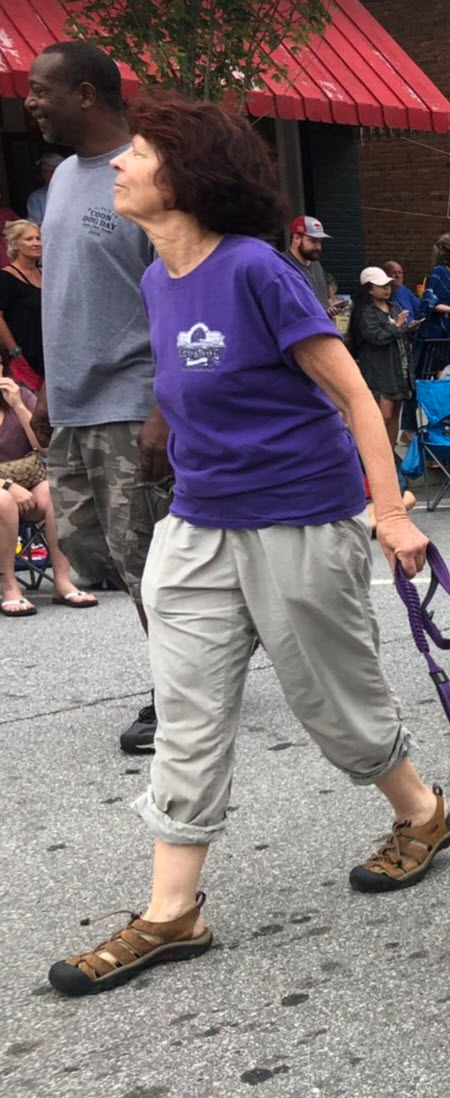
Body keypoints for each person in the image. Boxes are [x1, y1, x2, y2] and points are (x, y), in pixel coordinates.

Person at [46, 93, 450, 998]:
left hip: (301, 518)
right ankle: (173, 911)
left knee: (334, 703)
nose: (118, 163)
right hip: (197, 526)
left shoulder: (259, 271)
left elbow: (356, 398)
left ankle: (422, 814)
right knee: (185, 713)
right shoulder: (156, 277)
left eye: (140, 151)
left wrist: (389, 516)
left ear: (189, 174)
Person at [27, 41, 164, 752]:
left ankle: (178, 693)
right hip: (72, 404)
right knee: (90, 552)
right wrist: (50, 383)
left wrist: (165, 405)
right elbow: (69, 291)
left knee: (146, 560)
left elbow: (181, 290)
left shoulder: (144, 170)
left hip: (131, 400)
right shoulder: (59, 181)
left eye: (40, 90)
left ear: (84, 93)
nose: (29, 102)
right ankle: (215, 640)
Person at [3, 373, 95, 616]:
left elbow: (44, 447)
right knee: (3, 501)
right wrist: (7, 486)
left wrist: (18, 406)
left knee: (55, 492)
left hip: (27, 479)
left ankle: (62, 581)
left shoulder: (20, 395)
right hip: (5, 490)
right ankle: (9, 585)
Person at [347, 266, 413, 450]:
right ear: (369, 289)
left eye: (388, 285)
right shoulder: (366, 312)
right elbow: (376, 337)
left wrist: (408, 328)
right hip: (380, 369)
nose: (387, 289)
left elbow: (399, 333)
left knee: (395, 415)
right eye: (382, 286)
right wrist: (397, 326)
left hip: (400, 365)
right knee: (383, 415)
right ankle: (375, 451)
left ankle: (390, 451)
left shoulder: (393, 307)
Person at [0, 220, 45, 391]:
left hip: (49, 355)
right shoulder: (6, 278)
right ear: (15, 244)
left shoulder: (45, 273)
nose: (36, 243)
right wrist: (14, 351)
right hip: (24, 357)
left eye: (38, 238)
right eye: (29, 239)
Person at [285, 214, 335, 321]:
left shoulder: (316, 264)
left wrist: (329, 309)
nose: (318, 247)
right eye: (313, 241)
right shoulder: (282, 265)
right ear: (297, 238)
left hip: (322, 328)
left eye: (320, 241)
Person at [25, 151, 64, 224]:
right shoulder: (36, 198)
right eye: (44, 171)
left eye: (52, 171)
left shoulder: (75, 193)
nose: (48, 176)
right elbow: (35, 226)